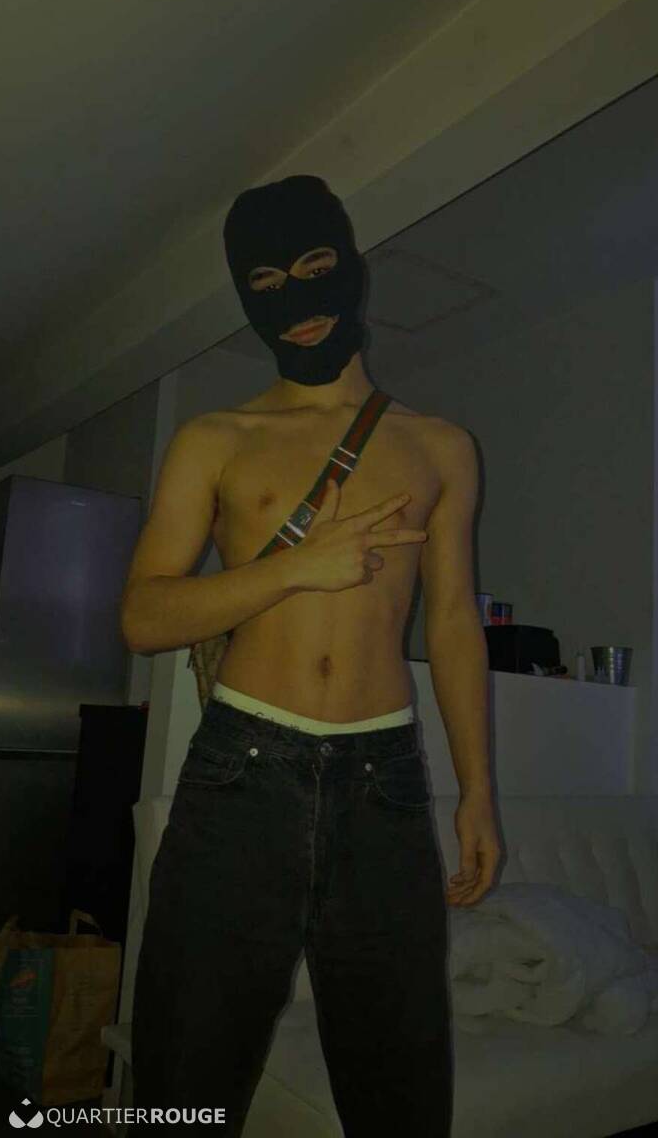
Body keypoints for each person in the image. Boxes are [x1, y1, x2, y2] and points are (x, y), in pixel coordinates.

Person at [122, 175, 501, 1136]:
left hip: (385, 785)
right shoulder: (217, 438)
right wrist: (294, 568)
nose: (293, 300)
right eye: (264, 283)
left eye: (314, 267)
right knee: (184, 1081)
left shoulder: (442, 447)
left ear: (352, 270)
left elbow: (452, 622)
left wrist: (476, 791)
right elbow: (144, 616)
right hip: (242, 775)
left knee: (400, 1086)